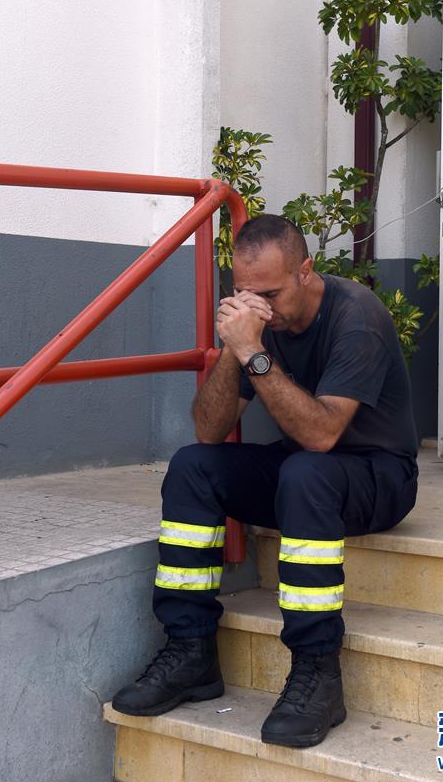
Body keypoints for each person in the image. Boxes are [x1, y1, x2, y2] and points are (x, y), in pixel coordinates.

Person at [112, 214, 419, 749]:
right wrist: (235, 349)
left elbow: (323, 435)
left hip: (379, 474)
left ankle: (318, 671)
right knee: (192, 465)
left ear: (306, 270)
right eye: (246, 296)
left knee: (305, 470)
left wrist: (254, 352)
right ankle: (191, 651)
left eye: (271, 294)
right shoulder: (261, 326)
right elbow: (210, 429)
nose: (261, 309)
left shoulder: (356, 317)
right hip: (307, 469)